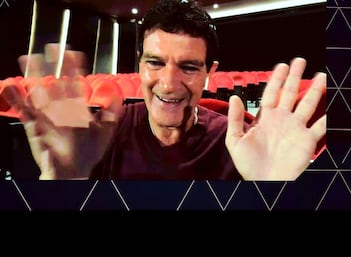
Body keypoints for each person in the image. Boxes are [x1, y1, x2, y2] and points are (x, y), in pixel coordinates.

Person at [1, 0, 325, 180]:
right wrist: (61, 185)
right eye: (155, 63)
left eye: (188, 67)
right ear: (140, 65)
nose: (169, 84)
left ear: (210, 73)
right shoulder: (98, 137)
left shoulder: (242, 143)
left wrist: (275, 192)